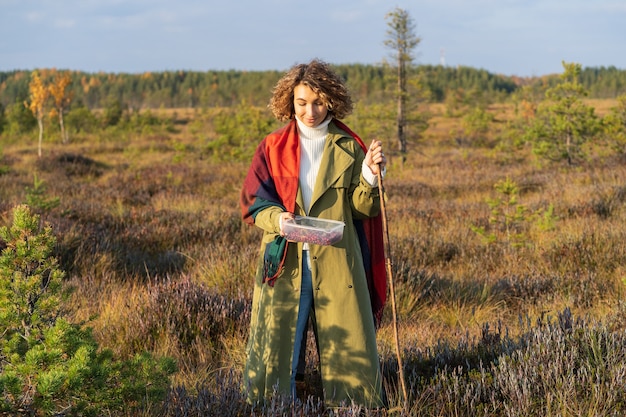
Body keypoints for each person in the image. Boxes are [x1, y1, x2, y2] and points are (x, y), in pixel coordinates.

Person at [240, 59, 388, 408]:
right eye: (302, 103)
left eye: (318, 103)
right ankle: (273, 407)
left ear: (331, 101)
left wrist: (369, 176)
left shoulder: (350, 147)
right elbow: (253, 204)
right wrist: (279, 221)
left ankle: (355, 408)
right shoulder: (272, 147)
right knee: (277, 350)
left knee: (348, 346)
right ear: (289, 102)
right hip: (285, 264)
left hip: (338, 264)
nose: (310, 112)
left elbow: (363, 210)